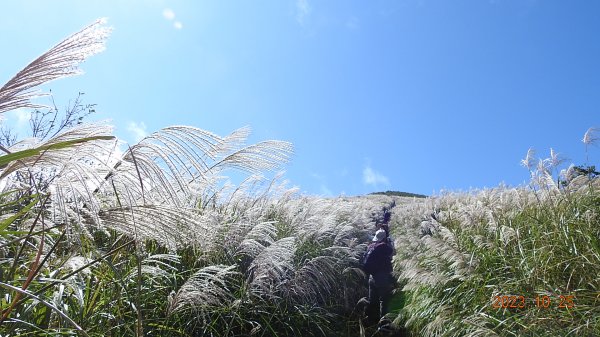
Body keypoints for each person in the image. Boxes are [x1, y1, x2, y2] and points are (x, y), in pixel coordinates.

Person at [362, 228, 394, 324]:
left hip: (372, 277)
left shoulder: (371, 246)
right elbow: (392, 253)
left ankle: (369, 320)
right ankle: (383, 324)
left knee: (372, 300)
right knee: (383, 301)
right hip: (382, 277)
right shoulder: (384, 246)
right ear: (385, 238)